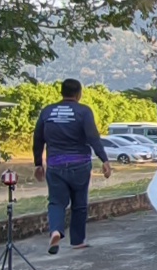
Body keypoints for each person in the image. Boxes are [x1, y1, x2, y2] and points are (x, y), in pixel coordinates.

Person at [32, 78, 113, 253]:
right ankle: (77, 240)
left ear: (61, 92)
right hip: (80, 165)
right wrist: (104, 159)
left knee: (56, 202)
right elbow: (93, 137)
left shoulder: (47, 111)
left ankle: (55, 230)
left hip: (55, 165)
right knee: (79, 204)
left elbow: (38, 138)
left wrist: (38, 164)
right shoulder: (83, 111)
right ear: (78, 94)